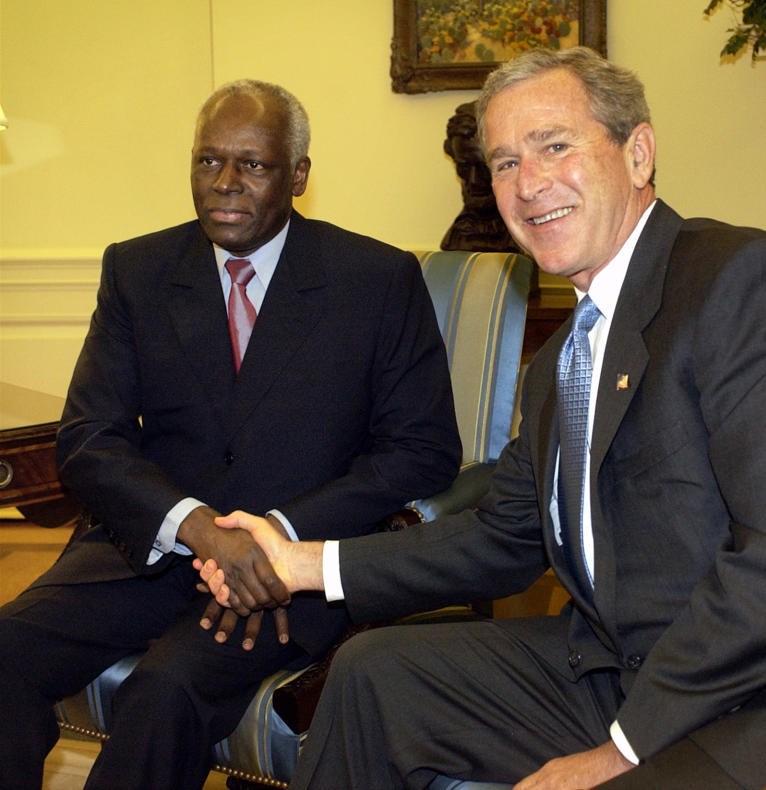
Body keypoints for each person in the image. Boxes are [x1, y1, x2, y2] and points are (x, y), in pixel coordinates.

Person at [198, 49, 766, 790]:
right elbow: (504, 538)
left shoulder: (746, 286)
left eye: (554, 146)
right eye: (503, 163)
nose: (528, 184)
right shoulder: (561, 359)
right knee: (376, 675)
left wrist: (620, 751)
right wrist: (299, 562)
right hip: (630, 670)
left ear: (639, 155)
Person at [0, 79, 461, 790]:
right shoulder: (139, 270)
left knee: (162, 693)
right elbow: (90, 437)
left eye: (253, 164)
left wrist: (277, 536)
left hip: (289, 573)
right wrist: (198, 529)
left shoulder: (376, 280)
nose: (225, 183)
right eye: (208, 160)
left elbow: (422, 449)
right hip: (148, 548)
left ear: (299, 175)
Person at [440, 100, 518, 253]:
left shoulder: (528, 232)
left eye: (484, 168)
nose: (474, 180)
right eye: (464, 166)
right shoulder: (459, 234)